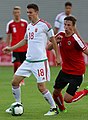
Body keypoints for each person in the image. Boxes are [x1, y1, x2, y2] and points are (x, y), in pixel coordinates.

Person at [3, 3, 60, 116]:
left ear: (36, 12)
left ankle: (54, 108)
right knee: (15, 82)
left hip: (40, 62)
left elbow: (53, 40)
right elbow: (25, 40)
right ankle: (18, 104)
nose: (28, 14)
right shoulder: (29, 26)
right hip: (28, 61)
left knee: (41, 87)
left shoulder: (45, 25)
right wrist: (11, 48)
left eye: (30, 12)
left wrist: (58, 56)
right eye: (27, 12)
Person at [47, 16, 88, 112]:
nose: (66, 27)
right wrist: (55, 42)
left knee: (68, 99)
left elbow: (86, 51)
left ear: (73, 27)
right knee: (56, 93)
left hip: (77, 73)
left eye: (69, 25)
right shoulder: (60, 35)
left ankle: (86, 91)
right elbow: (48, 47)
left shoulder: (76, 39)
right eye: (65, 24)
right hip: (65, 71)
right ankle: (62, 109)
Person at [6, 6, 28, 85]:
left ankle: (21, 79)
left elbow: (28, 35)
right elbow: (8, 36)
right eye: (15, 13)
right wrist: (7, 46)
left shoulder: (25, 23)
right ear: (13, 13)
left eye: (18, 12)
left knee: (23, 64)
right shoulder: (10, 24)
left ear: (20, 13)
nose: (17, 14)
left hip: (24, 48)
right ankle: (16, 79)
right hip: (14, 48)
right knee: (16, 64)